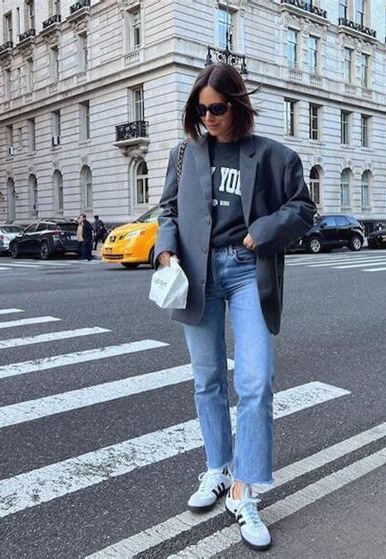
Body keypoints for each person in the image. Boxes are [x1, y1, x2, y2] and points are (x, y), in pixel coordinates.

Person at [154, 63, 316, 551]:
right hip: (197, 273)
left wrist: (260, 232)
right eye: (201, 110)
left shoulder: (272, 156)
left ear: (237, 105)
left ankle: (246, 491)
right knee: (207, 379)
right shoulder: (184, 155)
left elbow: (303, 209)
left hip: (247, 270)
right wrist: (164, 248)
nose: (209, 118)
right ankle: (218, 470)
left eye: (217, 108)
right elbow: (167, 210)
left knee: (255, 381)